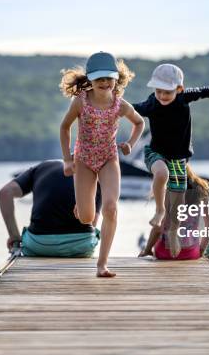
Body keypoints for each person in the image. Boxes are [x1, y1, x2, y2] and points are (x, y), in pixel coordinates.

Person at [133, 63, 209, 257]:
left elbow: (207, 91)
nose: (162, 96)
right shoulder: (152, 103)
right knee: (162, 174)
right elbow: (134, 109)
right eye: (158, 91)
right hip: (157, 152)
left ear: (179, 89)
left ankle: (173, 230)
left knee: (178, 195)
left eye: (167, 92)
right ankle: (159, 211)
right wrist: (114, 107)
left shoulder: (184, 97)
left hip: (178, 157)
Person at [59, 51, 144, 277]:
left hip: (108, 158)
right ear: (90, 80)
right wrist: (67, 159)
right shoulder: (81, 102)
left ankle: (102, 264)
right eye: (99, 79)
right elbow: (64, 127)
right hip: (84, 159)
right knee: (87, 218)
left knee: (110, 208)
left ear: (116, 79)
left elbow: (139, 122)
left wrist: (130, 144)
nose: (104, 83)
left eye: (108, 78)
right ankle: (83, 205)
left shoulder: (120, 105)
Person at [0, 160, 102, 257]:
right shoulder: (93, 175)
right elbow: (91, 222)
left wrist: (14, 237)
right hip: (80, 246)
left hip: (39, 245)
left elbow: (5, 193)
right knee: (95, 233)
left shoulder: (40, 168)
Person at [139, 165, 209, 260]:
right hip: (191, 253)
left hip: (165, 253)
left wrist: (147, 249)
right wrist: (201, 250)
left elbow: (158, 228)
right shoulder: (201, 190)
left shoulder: (167, 192)